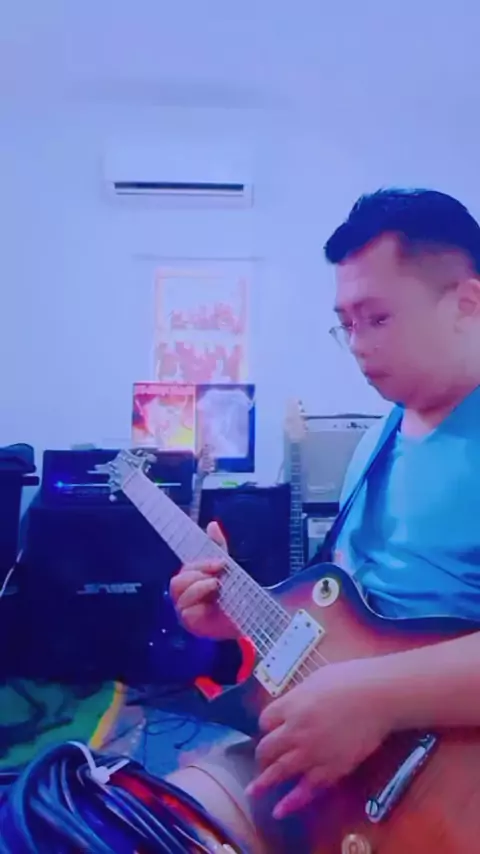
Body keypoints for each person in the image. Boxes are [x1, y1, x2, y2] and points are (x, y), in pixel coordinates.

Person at [169, 188, 480, 851]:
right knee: (135, 818)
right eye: (347, 323)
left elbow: (365, 678)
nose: (358, 346)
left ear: (466, 303)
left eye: (379, 318)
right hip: (343, 766)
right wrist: (237, 616)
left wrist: (376, 698)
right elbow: (344, 618)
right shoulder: (375, 444)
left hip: (451, 792)